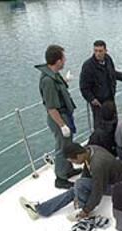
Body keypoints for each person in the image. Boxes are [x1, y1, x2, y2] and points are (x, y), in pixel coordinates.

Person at [19, 143, 122, 220]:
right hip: (107, 179)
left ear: (78, 155)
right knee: (78, 186)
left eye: (73, 161)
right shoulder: (91, 149)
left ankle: (82, 210)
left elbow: (98, 191)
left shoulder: (97, 164)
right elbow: (87, 171)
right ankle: (41, 209)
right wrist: (77, 194)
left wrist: (86, 210)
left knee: (79, 185)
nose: (74, 163)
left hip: (116, 187)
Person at [35, 45, 81, 189]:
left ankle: (68, 169)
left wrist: (66, 81)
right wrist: (62, 125)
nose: (65, 60)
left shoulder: (54, 75)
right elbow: (51, 107)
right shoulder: (48, 81)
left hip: (64, 115)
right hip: (58, 117)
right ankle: (60, 178)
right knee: (62, 148)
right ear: (58, 61)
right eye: (63, 58)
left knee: (67, 145)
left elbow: (59, 90)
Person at [80, 40, 122, 130]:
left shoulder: (108, 59)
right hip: (98, 102)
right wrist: (92, 99)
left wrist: (120, 76)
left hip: (110, 97)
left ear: (105, 51)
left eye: (100, 51)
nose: (98, 53)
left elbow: (111, 72)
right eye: (95, 51)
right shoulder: (88, 66)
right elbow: (83, 87)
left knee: (114, 121)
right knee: (100, 126)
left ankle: (114, 140)